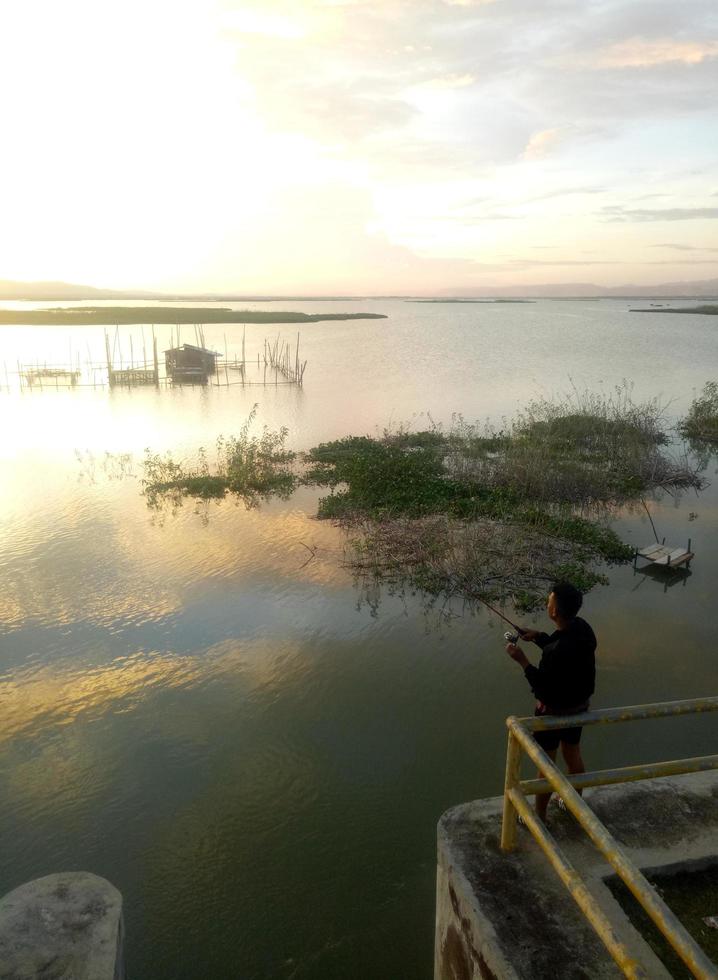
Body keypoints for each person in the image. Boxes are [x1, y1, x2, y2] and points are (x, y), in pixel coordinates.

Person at [505, 581, 596, 823]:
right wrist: (539, 638)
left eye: (549, 602)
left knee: (546, 764)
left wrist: (522, 660)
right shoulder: (583, 629)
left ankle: (539, 817)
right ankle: (572, 802)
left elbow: (543, 689)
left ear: (554, 611)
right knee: (573, 753)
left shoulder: (555, 652)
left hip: (553, 712)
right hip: (579, 707)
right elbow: (565, 648)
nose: (547, 604)